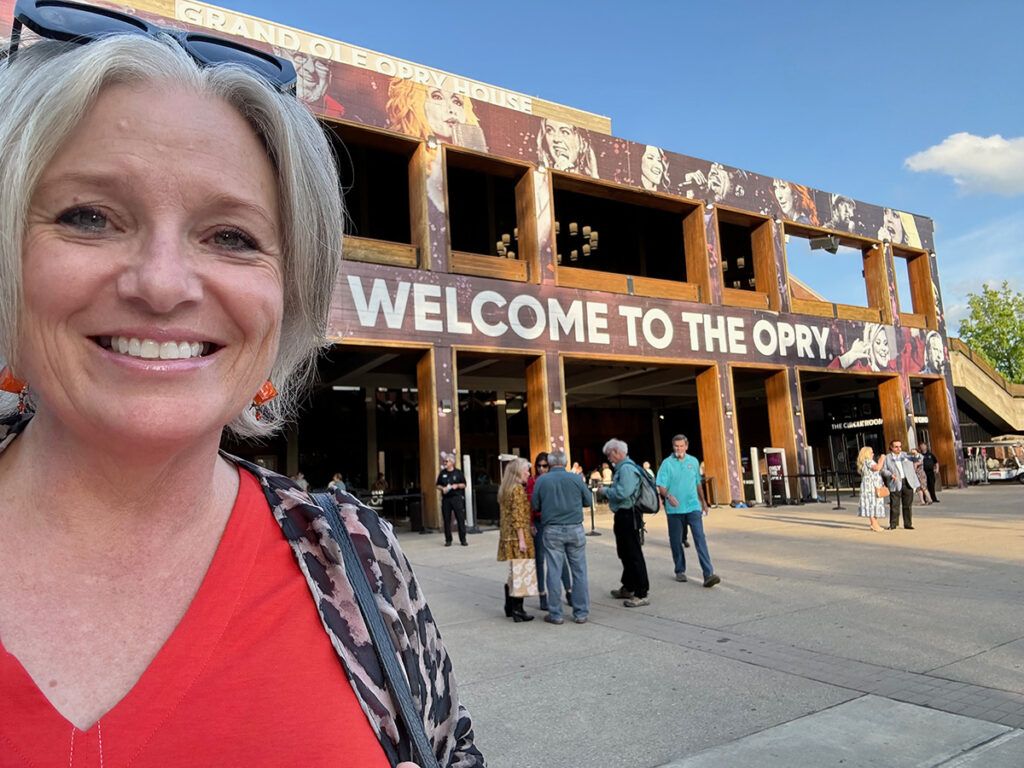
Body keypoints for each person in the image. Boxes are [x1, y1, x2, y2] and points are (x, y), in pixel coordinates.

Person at [0, 13, 480, 767]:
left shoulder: (356, 560)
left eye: (231, 236)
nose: (161, 285)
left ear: (288, 292)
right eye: (87, 217)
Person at [532, 452, 593, 624]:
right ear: (565, 463)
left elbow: (535, 504)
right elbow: (588, 501)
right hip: (575, 527)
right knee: (579, 571)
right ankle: (581, 612)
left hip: (552, 529)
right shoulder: (575, 478)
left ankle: (556, 613)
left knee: (553, 570)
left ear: (550, 464)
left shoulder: (542, 480)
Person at [655, 436, 721, 587]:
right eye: (676, 446)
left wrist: (703, 501)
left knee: (700, 539)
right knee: (676, 541)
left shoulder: (693, 461)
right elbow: (661, 485)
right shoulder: (667, 464)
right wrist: (668, 496)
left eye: (681, 446)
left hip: (693, 507)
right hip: (674, 510)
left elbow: (697, 482)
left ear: (686, 446)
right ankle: (680, 570)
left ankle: (708, 574)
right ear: (673, 447)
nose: (679, 449)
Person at [598, 439, 651, 607]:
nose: (609, 459)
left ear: (617, 452)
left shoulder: (627, 469)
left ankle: (641, 592)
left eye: (609, 455)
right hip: (624, 515)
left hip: (628, 515)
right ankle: (628, 586)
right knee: (625, 552)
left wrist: (606, 491)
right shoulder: (624, 468)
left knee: (633, 553)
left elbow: (623, 492)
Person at [527, 451, 570, 611]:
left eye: (544, 466)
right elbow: (530, 504)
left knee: (562, 556)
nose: (541, 469)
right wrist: (531, 524)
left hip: (554, 521)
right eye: (538, 466)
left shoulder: (553, 479)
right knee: (540, 559)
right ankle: (542, 595)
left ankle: (569, 590)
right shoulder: (533, 481)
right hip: (539, 521)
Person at [496, 458, 535, 623]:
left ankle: (509, 607)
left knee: (513, 572)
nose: (528, 473)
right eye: (526, 470)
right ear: (518, 472)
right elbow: (518, 516)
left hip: (507, 536)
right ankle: (518, 609)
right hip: (518, 536)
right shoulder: (518, 489)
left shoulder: (505, 489)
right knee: (522, 572)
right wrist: (522, 540)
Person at [881, 439, 923, 530]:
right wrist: (890, 475)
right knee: (894, 505)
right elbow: (883, 470)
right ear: (891, 447)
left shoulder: (906, 454)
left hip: (908, 482)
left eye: (900, 446)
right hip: (895, 482)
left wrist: (916, 454)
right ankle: (893, 524)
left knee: (907, 505)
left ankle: (908, 524)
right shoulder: (887, 458)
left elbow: (920, 458)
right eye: (896, 447)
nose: (898, 448)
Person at [436, 454, 468, 546]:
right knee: (446, 519)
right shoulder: (442, 473)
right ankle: (448, 540)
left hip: (456, 498)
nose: (445, 463)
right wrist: (443, 488)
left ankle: (463, 539)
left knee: (460, 519)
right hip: (446, 499)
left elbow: (464, 484)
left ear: (452, 462)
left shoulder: (458, 473)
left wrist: (457, 485)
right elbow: (437, 485)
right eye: (444, 461)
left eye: (446, 461)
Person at [856, 446, 887, 532]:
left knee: (875, 504)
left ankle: (875, 523)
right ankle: (874, 524)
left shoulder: (866, 462)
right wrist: (882, 459)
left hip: (872, 485)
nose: (873, 454)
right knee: (872, 504)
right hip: (870, 487)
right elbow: (877, 468)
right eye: (871, 452)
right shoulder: (868, 461)